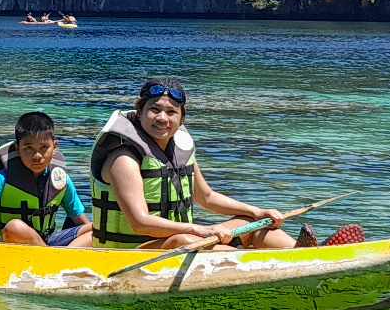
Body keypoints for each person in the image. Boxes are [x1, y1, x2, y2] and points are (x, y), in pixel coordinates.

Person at [88, 80, 294, 251]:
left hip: (172, 242)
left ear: (181, 118)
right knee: (184, 241)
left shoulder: (179, 150)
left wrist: (256, 212)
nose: (162, 118)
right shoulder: (124, 157)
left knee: (249, 223)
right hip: (126, 254)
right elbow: (140, 222)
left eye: (171, 112)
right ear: (140, 111)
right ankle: (261, 264)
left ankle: (306, 254)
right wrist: (199, 230)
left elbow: (207, 197)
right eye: (154, 109)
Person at [0, 111, 94, 248]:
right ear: (18, 148)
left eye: (44, 147)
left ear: (55, 147)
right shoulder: (2, 179)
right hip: (7, 243)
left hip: (47, 241)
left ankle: (55, 259)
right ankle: (52, 258)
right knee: (14, 227)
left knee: (97, 230)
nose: (37, 156)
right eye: (29, 148)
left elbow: (80, 220)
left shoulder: (60, 180)